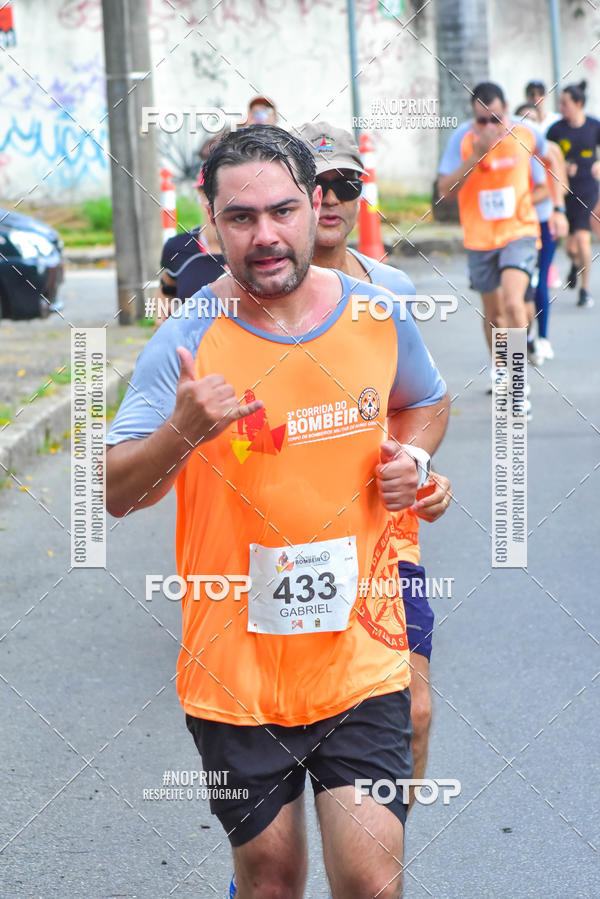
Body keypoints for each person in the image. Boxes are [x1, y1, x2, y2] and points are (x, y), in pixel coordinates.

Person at [106, 125, 450, 897]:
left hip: (361, 652)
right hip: (237, 666)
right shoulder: (186, 335)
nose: (265, 235)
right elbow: (114, 490)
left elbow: (426, 400)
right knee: (269, 877)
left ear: (315, 204)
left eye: (283, 210)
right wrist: (183, 430)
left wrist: (417, 460)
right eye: (241, 217)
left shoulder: (378, 312)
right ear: (211, 221)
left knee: (369, 878)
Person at [298, 120, 452, 806]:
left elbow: (425, 399)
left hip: (387, 542)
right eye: (315, 184)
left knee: (415, 714)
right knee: (283, 739)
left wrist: (418, 464)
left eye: (346, 183)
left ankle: (374, 865)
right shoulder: (254, 293)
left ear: (362, 193)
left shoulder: (389, 287)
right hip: (291, 545)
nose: (330, 198)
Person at [437, 82, 567, 403]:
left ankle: (519, 381)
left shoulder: (527, 133)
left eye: (496, 118)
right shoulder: (463, 140)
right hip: (480, 238)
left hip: (519, 232)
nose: (490, 126)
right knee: (494, 313)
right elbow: (445, 191)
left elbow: (555, 158)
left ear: (506, 107)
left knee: (513, 302)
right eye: (482, 120)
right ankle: (499, 367)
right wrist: (476, 154)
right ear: (473, 118)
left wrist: (558, 207)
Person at [515, 103, 563, 363]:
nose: (527, 126)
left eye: (532, 120)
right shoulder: (511, 150)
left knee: (539, 280)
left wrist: (559, 212)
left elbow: (558, 185)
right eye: (523, 120)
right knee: (517, 292)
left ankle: (542, 337)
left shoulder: (548, 151)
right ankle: (525, 341)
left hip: (542, 222)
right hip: (513, 229)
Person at [547, 80, 600, 308]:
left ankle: (585, 290)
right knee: (570, 247)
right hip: (563, 190)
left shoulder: (594, 126)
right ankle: (576, 265)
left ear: (578, 103)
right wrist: (561, 167)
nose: (561, 107)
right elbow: (546, 158)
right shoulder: (556, 130)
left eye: (565, 103)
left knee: (582, 237)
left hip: (588, 188)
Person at [156, 171, 227, 327]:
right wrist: (162, 324)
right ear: (200, 194)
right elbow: (167, 290)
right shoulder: (178, 248)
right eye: (212, 192)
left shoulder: (255, 248)